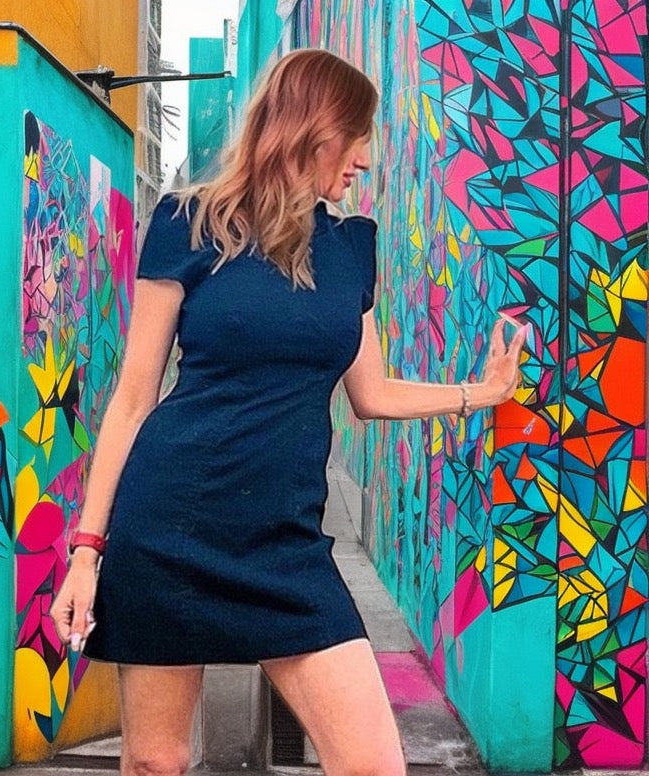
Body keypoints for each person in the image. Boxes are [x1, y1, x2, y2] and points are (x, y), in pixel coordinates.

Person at [50, 49, 527, 776]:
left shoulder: (349, 248)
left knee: (372, 763)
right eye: (357, 135)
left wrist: (481, 392)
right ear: (314, 128)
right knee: (156, 762)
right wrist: (88, 549)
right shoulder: (187, 223)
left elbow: (372, 394)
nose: (365, 158)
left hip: (285, 542)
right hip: (171, 523)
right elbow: (134, 397)